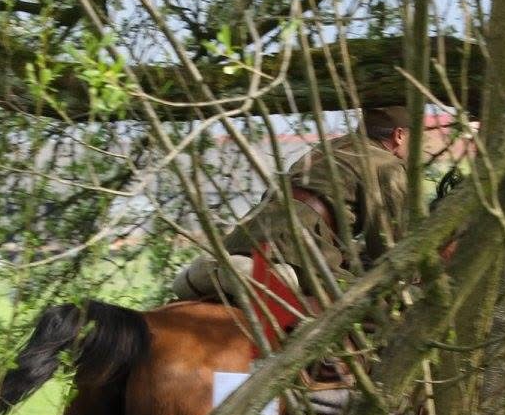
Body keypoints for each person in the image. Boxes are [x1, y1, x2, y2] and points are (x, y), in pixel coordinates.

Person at [173, 106, 413, 304]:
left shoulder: (330, 147)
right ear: (399, 135)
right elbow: (389, 249)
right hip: (296, 245)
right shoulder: (388, 165)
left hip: (247, 235)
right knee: (375, 303)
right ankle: (264, 276)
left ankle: (214, 274)